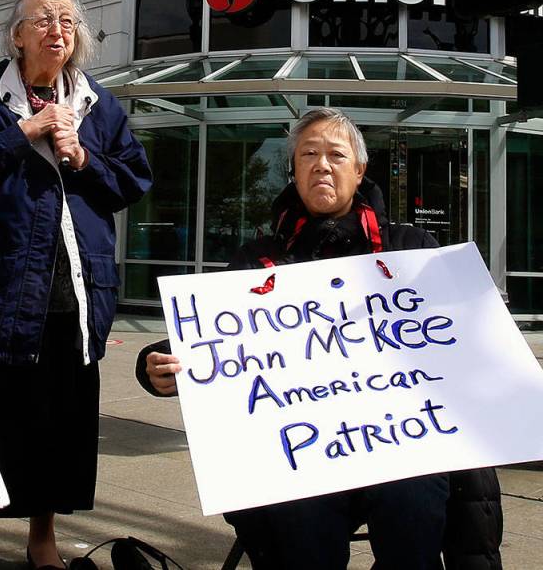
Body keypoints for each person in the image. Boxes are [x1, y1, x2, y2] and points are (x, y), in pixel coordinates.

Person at [136, 107, 502, 570]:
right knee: (297, 512)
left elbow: (464, 339)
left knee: (415, 495)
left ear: (360, 169)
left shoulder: (411, 250)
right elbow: (208, 346)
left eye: (335, 154)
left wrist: (480, 319)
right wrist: (159, 364)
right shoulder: (257, 260)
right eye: (308, 154)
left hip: (400, 448)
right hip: (301, 459)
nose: (322, 165)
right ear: (294, 170)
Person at [0, 0, 152, 570]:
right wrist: (22, 132)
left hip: (73, 293)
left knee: (56, 425)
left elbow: (133, 182)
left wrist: (82, 157)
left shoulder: (99, 105)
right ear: (17, 35)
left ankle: (41, 535)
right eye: (44, 20)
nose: (58, 30)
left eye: (68, 21)